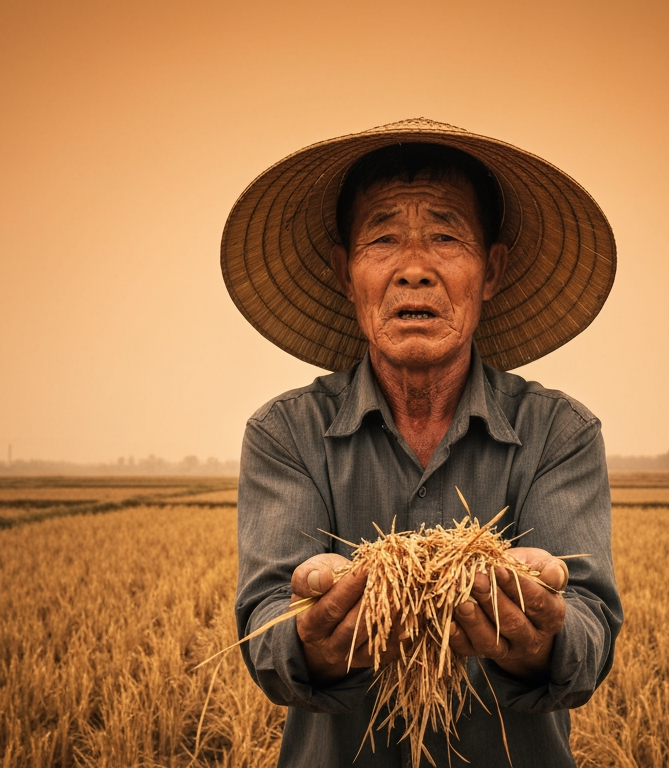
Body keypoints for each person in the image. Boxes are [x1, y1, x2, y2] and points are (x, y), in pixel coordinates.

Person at [221, 118, 622, 767]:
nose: (414, 270)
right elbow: (267, 632)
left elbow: (588, 633)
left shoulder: (559, 434)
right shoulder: (286, 434)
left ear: (491, 271)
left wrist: (540, 633)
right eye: (382, 239)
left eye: (445, 236)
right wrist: (315, 638)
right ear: (344, 272)